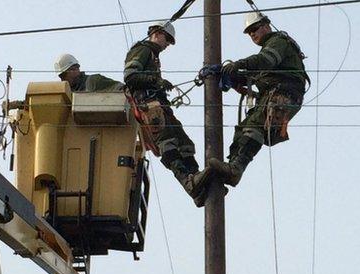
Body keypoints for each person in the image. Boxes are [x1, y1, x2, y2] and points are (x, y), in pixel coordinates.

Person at [207, 11, 309, 186]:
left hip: (284, 93)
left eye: (254, 29)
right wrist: (233, 77)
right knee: (244, 129)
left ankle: (235, 169)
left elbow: (265, 60)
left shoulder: (278, 42)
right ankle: (231, 167)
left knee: (254, 126)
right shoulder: (270, 48)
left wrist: (237, 65)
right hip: (274, 94)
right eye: (249, 32)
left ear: (266, 25)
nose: (252, 34)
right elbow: (257, 75)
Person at [123, 21, 209, 205]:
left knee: (185, 143)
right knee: (168, 143)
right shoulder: (143, 49)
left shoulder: (153, 56)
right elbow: (130, 76)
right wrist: (156, 81)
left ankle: (197, 181)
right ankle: (189, 182)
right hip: (149, 106)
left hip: (160, 106)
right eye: (167, 39)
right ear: (156, 33)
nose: (167, 44)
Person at [54, 53, 122, 93]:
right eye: (62, 77)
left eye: (75, 69)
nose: (63, 80)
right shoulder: (67, 95)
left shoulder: (92, 81)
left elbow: (121, 88)